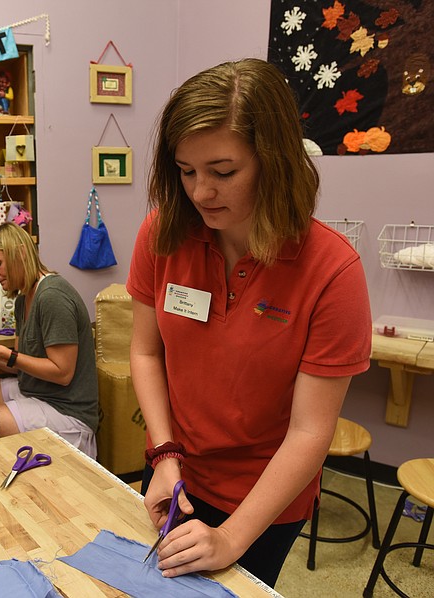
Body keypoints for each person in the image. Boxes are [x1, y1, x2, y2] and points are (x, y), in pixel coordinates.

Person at [127, 58, 371, 587]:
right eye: (185, 171)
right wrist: (164, 455)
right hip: (174, 469)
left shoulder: (332, 270)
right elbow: (146, 353)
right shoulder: (162, 234)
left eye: (223, 171)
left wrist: (233, 537)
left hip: (263, 496)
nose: (200, 193)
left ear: (274, 161)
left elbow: (311, 431)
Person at [0, 223, 99, 458]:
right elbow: (20, 365)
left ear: (21, 253)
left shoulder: (52, 296)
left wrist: (3, 354)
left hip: (66, 412)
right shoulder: (22, 300)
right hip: (33, 390)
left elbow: (62, 372)